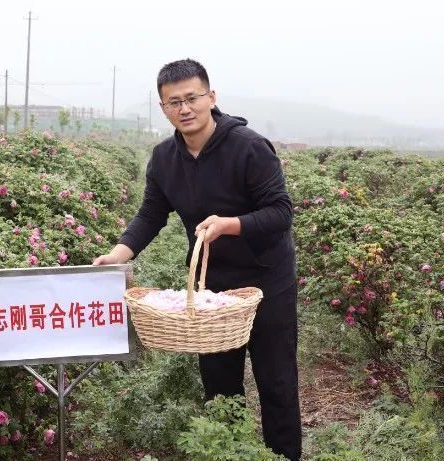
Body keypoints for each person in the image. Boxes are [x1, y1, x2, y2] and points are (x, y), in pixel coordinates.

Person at [92, 58, 301, 460]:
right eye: (174, 102)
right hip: (212, 288)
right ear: (162, 107)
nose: (184, 109)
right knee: (220, 386)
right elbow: (151, 213)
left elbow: (280, 213)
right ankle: (228, 452)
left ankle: (284, 455)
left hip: (267, 281)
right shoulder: (164, 158)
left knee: (276, 382)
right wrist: (118, 255)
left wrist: (230, 224)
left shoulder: (250, 148)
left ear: (211, 97)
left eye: (192, 98)